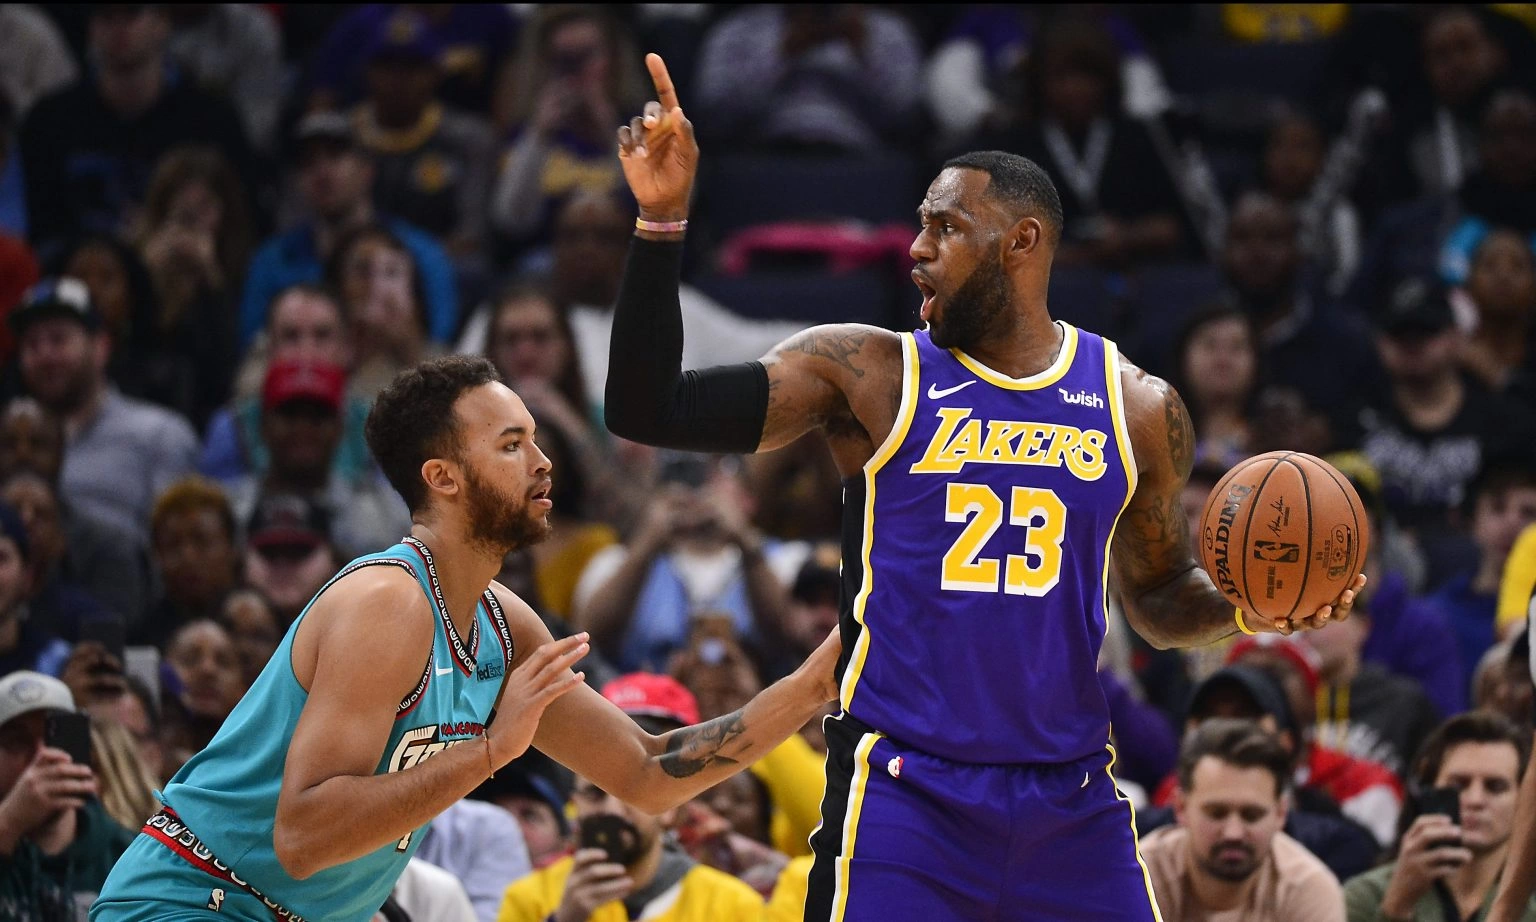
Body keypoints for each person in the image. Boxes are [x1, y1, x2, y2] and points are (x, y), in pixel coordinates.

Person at [606, 54, 1365, 920]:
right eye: (920, 226)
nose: (916, 248)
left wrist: (1251, 607)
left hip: (1070, 801)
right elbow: (648, 406)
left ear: (1022, 243)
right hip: (906, 794)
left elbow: (1157, 598)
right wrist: (661, 221)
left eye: (945, 227)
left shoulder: (1137, 406)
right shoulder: (869, 374)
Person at [90, 354, 840, 921]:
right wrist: (487, 751)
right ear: (443, 478)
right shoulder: (388, 604)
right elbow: (304, 835)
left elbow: (647, 772)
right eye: (512, 445)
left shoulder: (502, 624)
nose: (543, 462)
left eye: (535, 440)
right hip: (194, 898)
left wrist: (811, 687)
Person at [1139, 718, 1345, 921]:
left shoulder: (1308, 892)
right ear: (1181, 807)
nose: (1233, 833)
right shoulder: (1140, 879)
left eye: (1252, 815)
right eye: (1216, 813)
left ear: (1280, 813)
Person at [1347, 711, 1534, 922]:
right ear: (1426, 789)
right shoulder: (1367, 895)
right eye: (1459, 784)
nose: (1475, 800)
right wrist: (1397, 908)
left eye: (1495, 787)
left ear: (1525, 799)